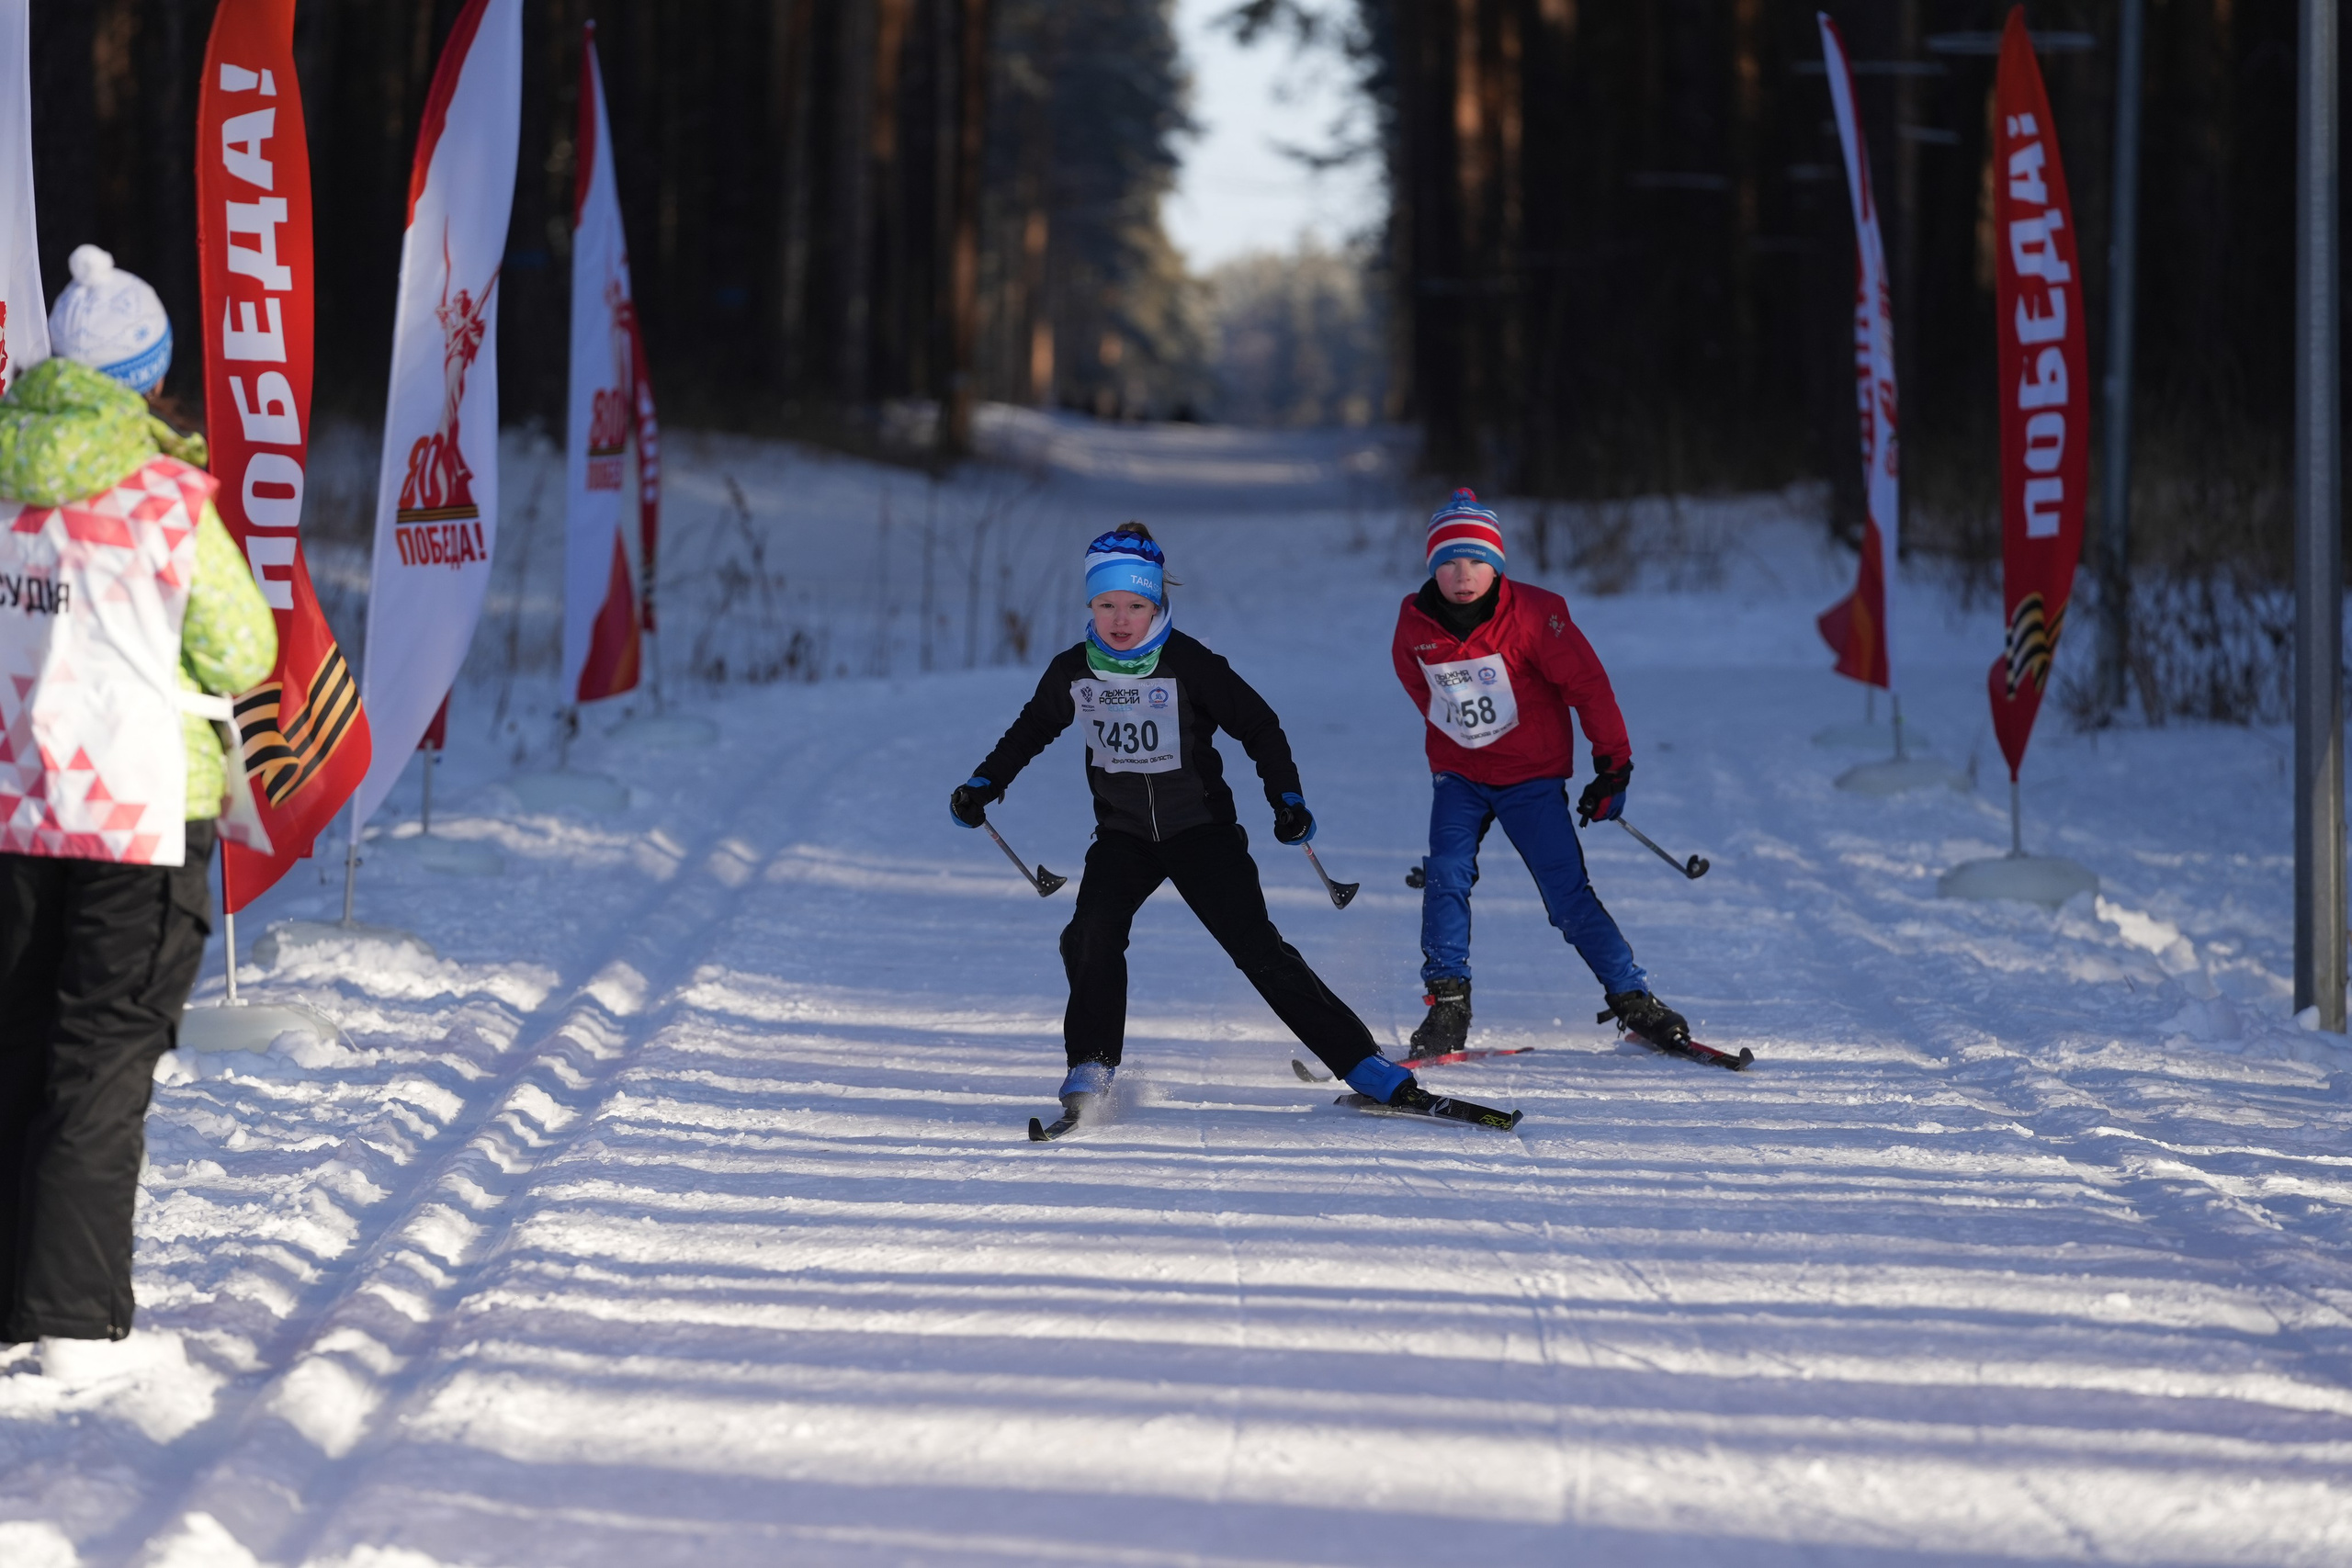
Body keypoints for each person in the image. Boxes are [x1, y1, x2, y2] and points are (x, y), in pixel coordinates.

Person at [0, 247, 277, 1376]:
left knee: (17, 1043)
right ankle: (69, 1324)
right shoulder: (164, 498)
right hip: (141, 812)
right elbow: (244, 647)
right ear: (152, 379)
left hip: (15, 804)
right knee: (104, 1054)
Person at [951, 525, 1450, 1129]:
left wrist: (1285, 797)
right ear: (1090, 606)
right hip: (1123, 835)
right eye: (1105, 604)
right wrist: (984, 784)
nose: (1119, 619)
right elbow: (1031, 729)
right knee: (1089, 933)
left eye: (1135, 605)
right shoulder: (1073, 672)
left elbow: (1260, 724)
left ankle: (1367, 1066)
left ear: (1157, 604)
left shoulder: (1190, 664)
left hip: (1201, 831)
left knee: (1259, 951)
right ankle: (1090, 1064)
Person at [1392, 489, 1689, 1057]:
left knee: (1566, 896)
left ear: (1497, 565)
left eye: (1477, 561)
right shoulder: (1414, 622)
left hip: (1531, 778)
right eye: (1449, 562)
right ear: (1433, 567)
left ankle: (1633, 999)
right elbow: (1418, 684)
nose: (1463, 574)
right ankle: (1448, 1006)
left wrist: (1613, 766)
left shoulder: (1534, 614)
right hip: (1459, 775)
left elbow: (1588, 685)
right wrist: (1460, 734)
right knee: (1446, 875)